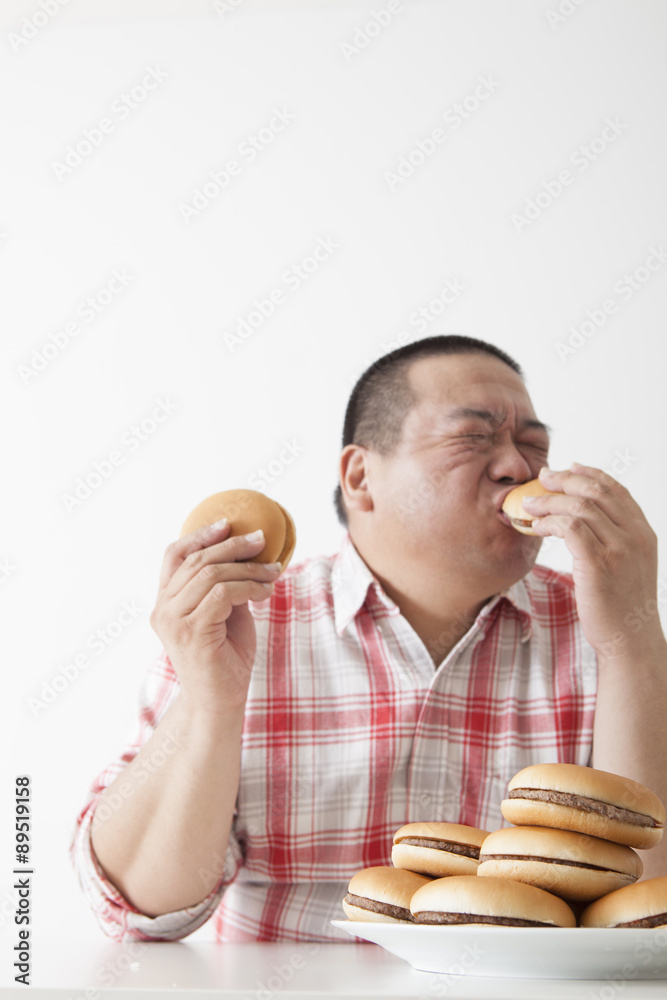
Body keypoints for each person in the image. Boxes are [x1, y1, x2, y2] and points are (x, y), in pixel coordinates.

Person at [70, 335, 667, 942]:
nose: (519, 466)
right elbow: (138, 908)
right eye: (474, 436)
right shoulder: (240, 625)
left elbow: (646, 916)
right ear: (360, 477)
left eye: (535, 445)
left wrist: (633, 643)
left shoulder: (607, 627)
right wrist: (209, 699)